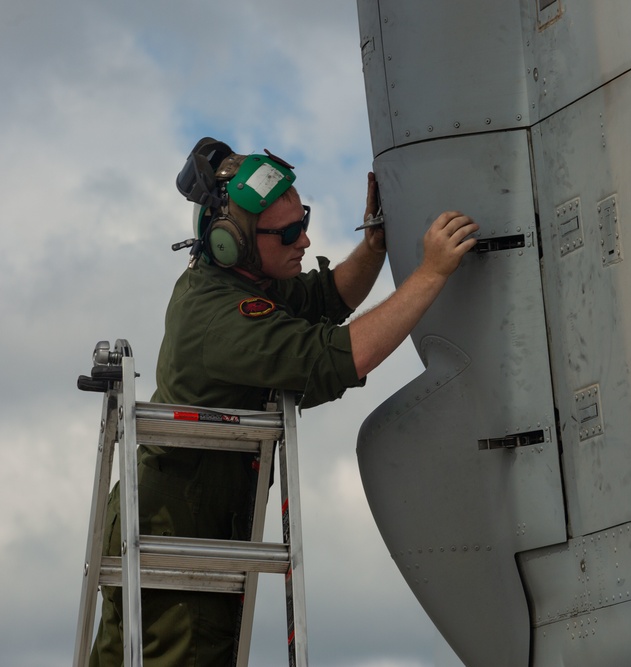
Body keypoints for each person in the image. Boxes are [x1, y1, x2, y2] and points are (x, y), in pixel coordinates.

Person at [88, 138, 478, 666]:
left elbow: (325, 298)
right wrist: (430, 274)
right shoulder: (220, 319)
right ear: (233, 242)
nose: (305, 238)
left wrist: (375, 245)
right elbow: (337, 358)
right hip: (174, 531)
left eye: (305, 220)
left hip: (166, 518)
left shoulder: (243, 280)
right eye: (290, 232)